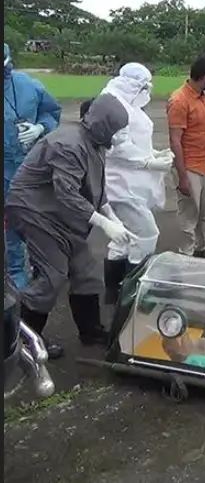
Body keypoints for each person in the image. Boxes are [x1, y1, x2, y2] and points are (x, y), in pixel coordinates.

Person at [6, 94, 136, 360]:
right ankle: (24, 340)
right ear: (104, 124)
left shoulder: (94, 143)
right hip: (34, 210)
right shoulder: (69, 145)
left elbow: (95, 191)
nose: (120, 136)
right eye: (117, 130)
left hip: (60, 213)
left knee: (87, 270)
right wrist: (105, 225)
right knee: (53, 274)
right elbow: (67, 194)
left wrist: (114, 219)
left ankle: (90, 330)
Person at [100, 63, 174, 306]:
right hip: (121, 185)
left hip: (133, 182)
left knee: (123, 240)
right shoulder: (114, 103)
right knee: (146, 235)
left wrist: (153, 153)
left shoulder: (128, 102)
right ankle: (135, 293)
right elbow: (117, 147)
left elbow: (137, 141)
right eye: (145, 85)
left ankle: (115, 292)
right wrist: (150, 162)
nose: (147, 90)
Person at [4, 43, 62, 289]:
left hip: (31, 170)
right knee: (9, 230)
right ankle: (15, 276)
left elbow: (51, 113)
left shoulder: (29, 85)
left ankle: (41, 273)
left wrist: (40, 128)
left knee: (37, 224)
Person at [167, 55, 205, 259]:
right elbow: (175, 141)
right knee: (189, 214)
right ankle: (186, 254)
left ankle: (201, 248)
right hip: (189, 166)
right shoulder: (179, 100)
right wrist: (181, 176)